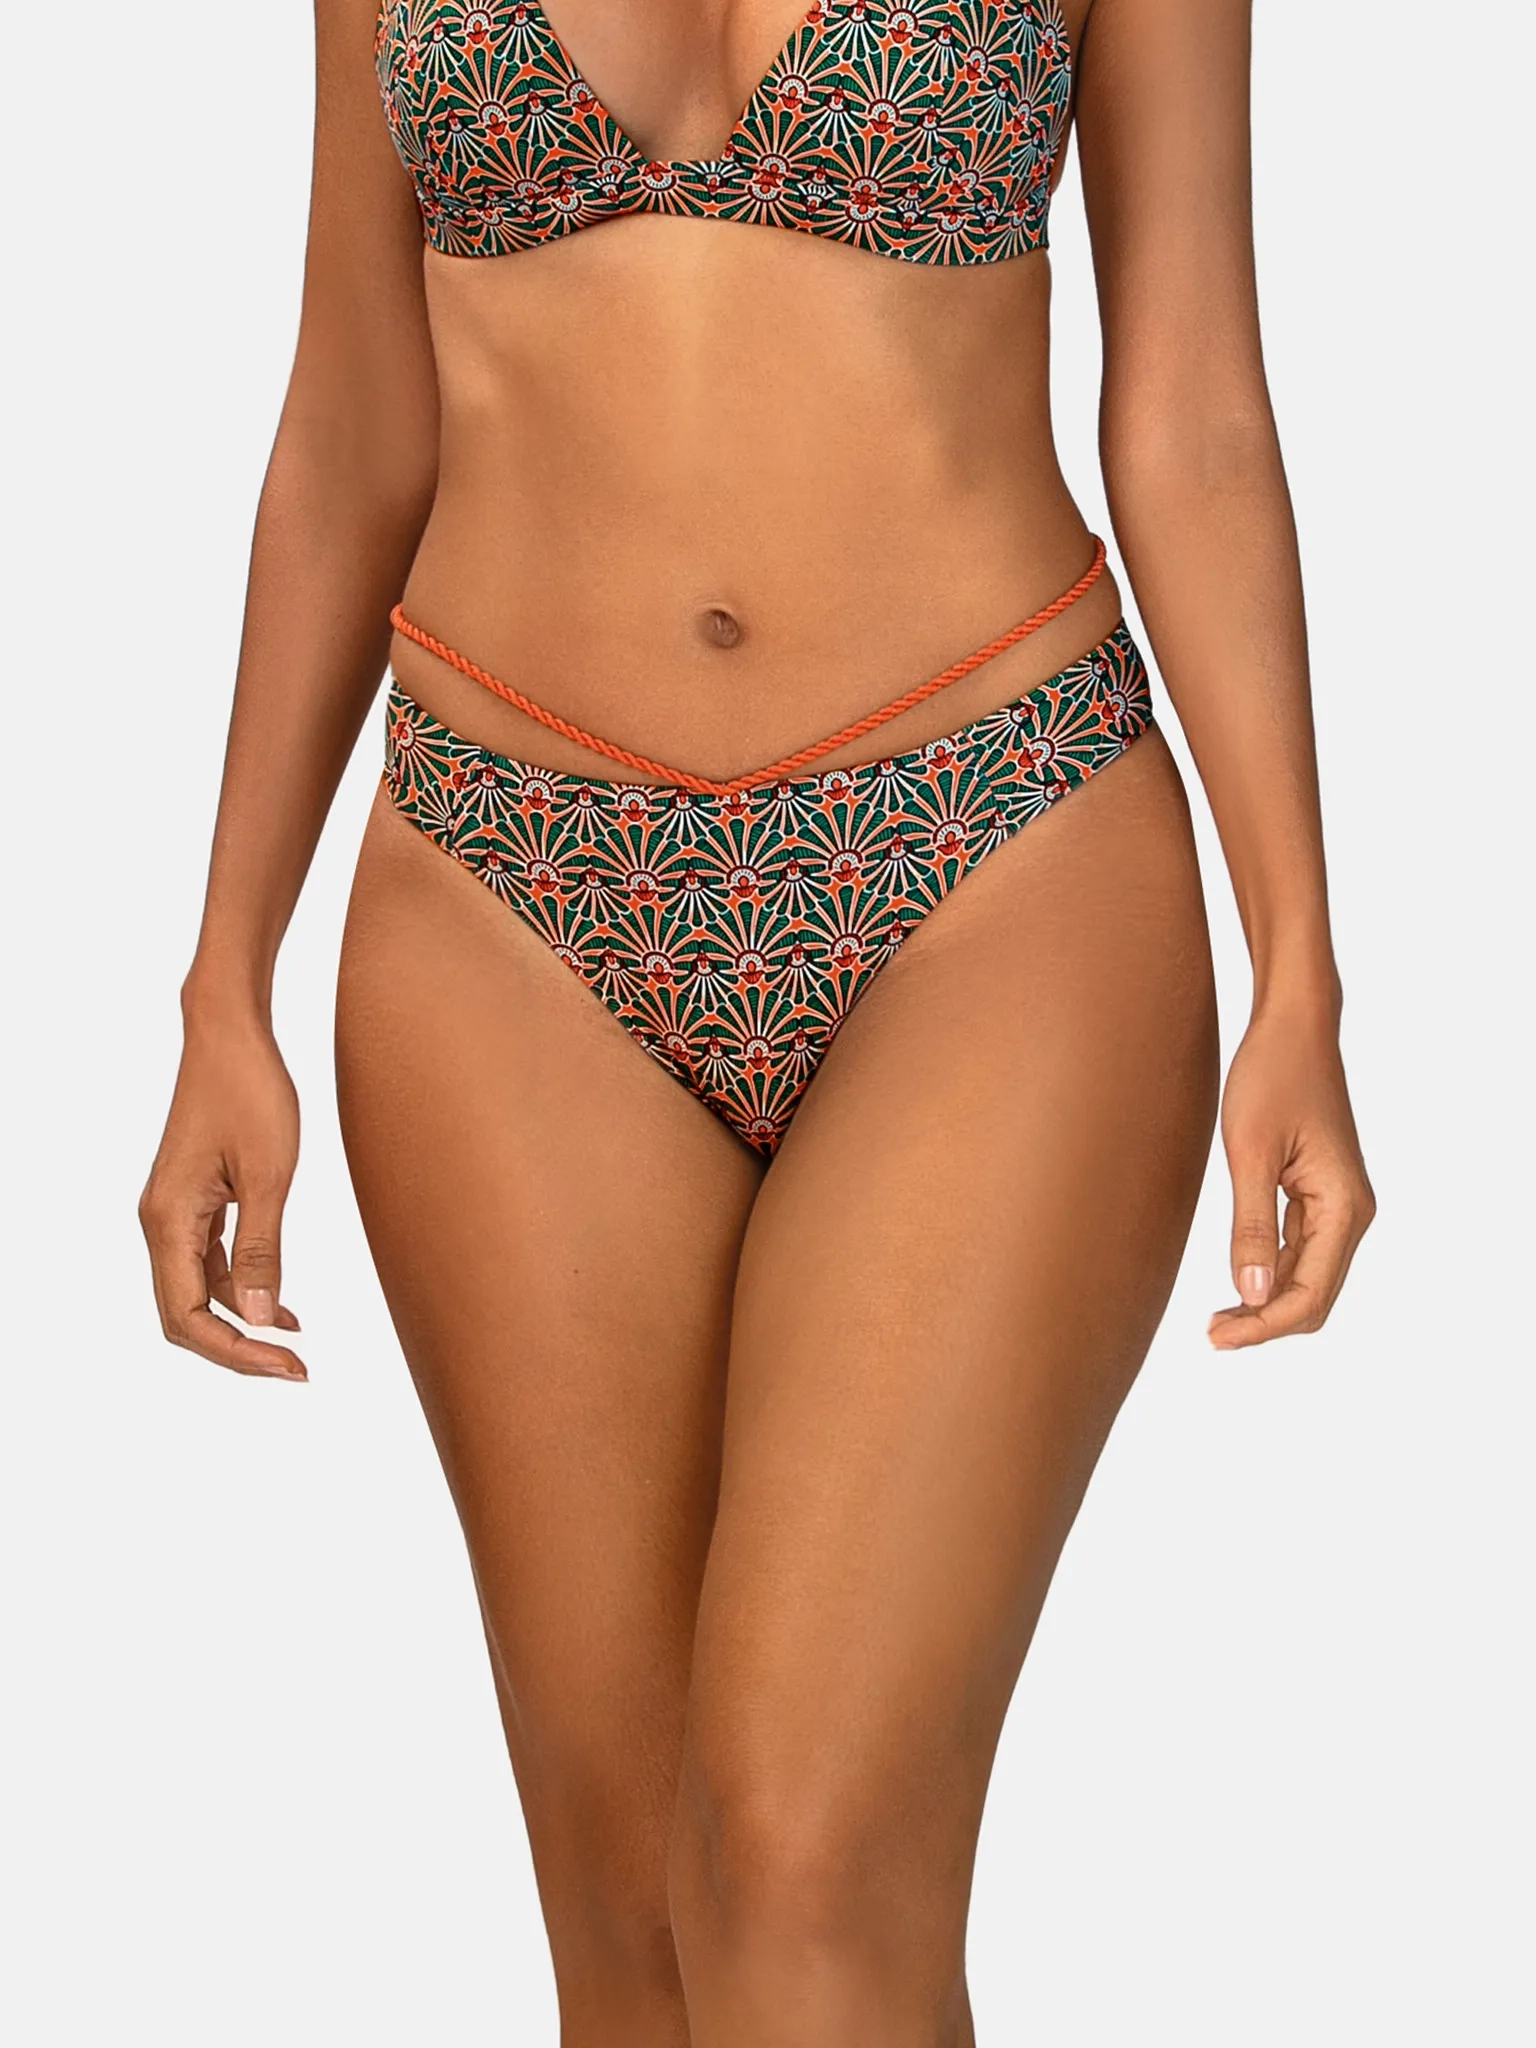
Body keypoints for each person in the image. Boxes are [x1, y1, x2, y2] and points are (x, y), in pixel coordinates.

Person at [140, 1, 1375, 2039]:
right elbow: (354, 417)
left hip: (991, 836)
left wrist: (1299, 957)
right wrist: (223, 974)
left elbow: (1192, 409)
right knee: (631, 1930)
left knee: (809, 1872)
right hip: (505, 881)